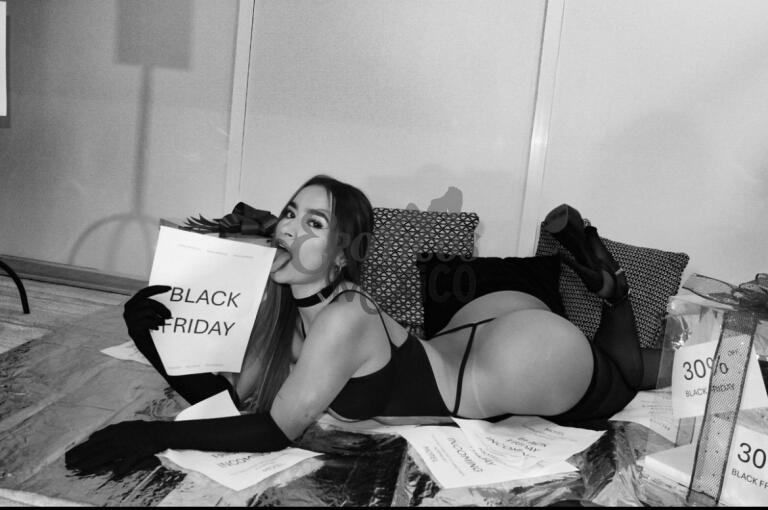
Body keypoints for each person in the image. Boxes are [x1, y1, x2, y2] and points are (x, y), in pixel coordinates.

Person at [65, 175, 658, 478]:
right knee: (619, 369)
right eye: (290, 214)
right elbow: (235, 403)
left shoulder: (345, 316)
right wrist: (153, 341)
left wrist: (152, 434)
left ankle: (617, 294)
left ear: (344, 254)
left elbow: (273, 430)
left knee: (626, 380)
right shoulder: (291, 309)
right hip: (474, 329)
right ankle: (608, 290)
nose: (288, 228)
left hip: (518, 361)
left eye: (313, 223)